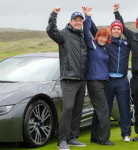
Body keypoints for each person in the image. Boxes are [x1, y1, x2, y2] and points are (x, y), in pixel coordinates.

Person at [46, 7, 88, 150]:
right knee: (68, 108)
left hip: (82, 79)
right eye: (75, 20)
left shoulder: (83, 36)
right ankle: (62, 140)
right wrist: (54, 15)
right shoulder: (64, 34)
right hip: (69, 78)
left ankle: (72, 137)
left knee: (77, 109)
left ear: (82, 22)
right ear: (71, 21)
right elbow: (51, 31)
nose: (77, 22)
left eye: (80, 20)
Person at [90, 7, 131, 142]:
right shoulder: (107, 43)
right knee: (104, 109)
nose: (116, 30)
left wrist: (117, 13)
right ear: (111, 30)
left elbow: (123, 25)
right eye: (114, 28)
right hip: (108, 81)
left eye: (119, 29)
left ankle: (125, 134)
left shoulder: (126, 44)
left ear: (121, 31)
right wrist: (88, 17)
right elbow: (96, 32)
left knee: (124, 108)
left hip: (123, 81)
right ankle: (100, 136)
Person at [83, 6, 114, 146]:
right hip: (94, 82)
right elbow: (87, 31)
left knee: (98, 111)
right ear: (97, 37)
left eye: (105, 37)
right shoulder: (92, 45)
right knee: (104, 110)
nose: (102, 38)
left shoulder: (104, 48)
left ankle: (95, 137)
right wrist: (87, 17)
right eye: (100, 36)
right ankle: (103, 139)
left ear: (107, 39)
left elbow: (97, 32)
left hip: (104, 82)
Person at [113, 3, 138, 142]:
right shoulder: (133, 37)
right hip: (136, 79)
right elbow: (121, 26)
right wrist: (116, 12)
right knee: (137, 107)